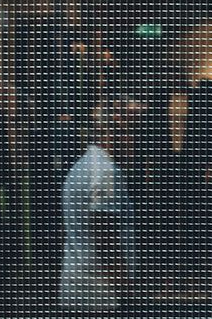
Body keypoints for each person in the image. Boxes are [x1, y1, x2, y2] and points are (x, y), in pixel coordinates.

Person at [60, 96, 143, 315]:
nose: (133, 142)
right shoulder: (105, 173)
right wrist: (127, 291)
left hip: (80, 287)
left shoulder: (85, 164)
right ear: (112, 134)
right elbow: (105, 237)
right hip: (101, 295)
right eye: (129, 133)